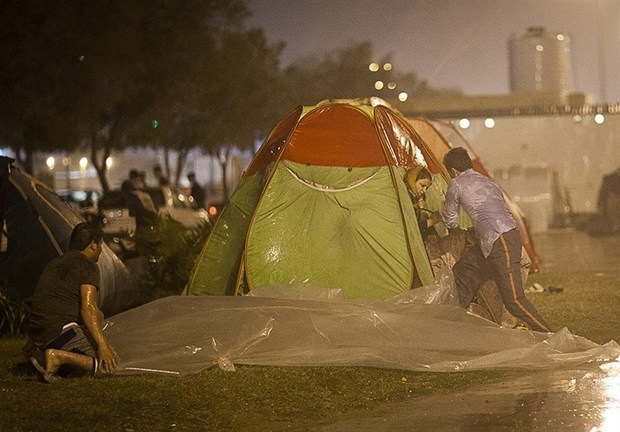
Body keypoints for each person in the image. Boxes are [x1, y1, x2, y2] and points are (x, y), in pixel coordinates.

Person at [440, 147, 551, 332]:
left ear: (452, 171)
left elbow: (450, 219)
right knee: (464, 269)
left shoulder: (456, 183)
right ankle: (453, 324)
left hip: (501, 241)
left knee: (514, 300)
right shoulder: (488, 181)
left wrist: (456, 231)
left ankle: (549, 334)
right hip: (496, 240)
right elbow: (495, 211)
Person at [25, 222, 119, 382]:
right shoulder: (87, 266)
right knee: (106, 366)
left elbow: (43, 300)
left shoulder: (54, 263)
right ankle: (57, 357)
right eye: (101, 245)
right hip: (59, 331)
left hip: (38, 331)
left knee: (99, 316)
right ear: (93, 245)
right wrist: (103, 345)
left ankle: (42, 354)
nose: (102, 250)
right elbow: (88, 308)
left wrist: (32, 340)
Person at [404, 166, 442, 240]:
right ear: (413, 180)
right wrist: (431, 221)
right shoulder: (405, 195)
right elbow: (411, 228)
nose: (424, 190)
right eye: (422, 185)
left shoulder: (415, 197)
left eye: (426, 188)